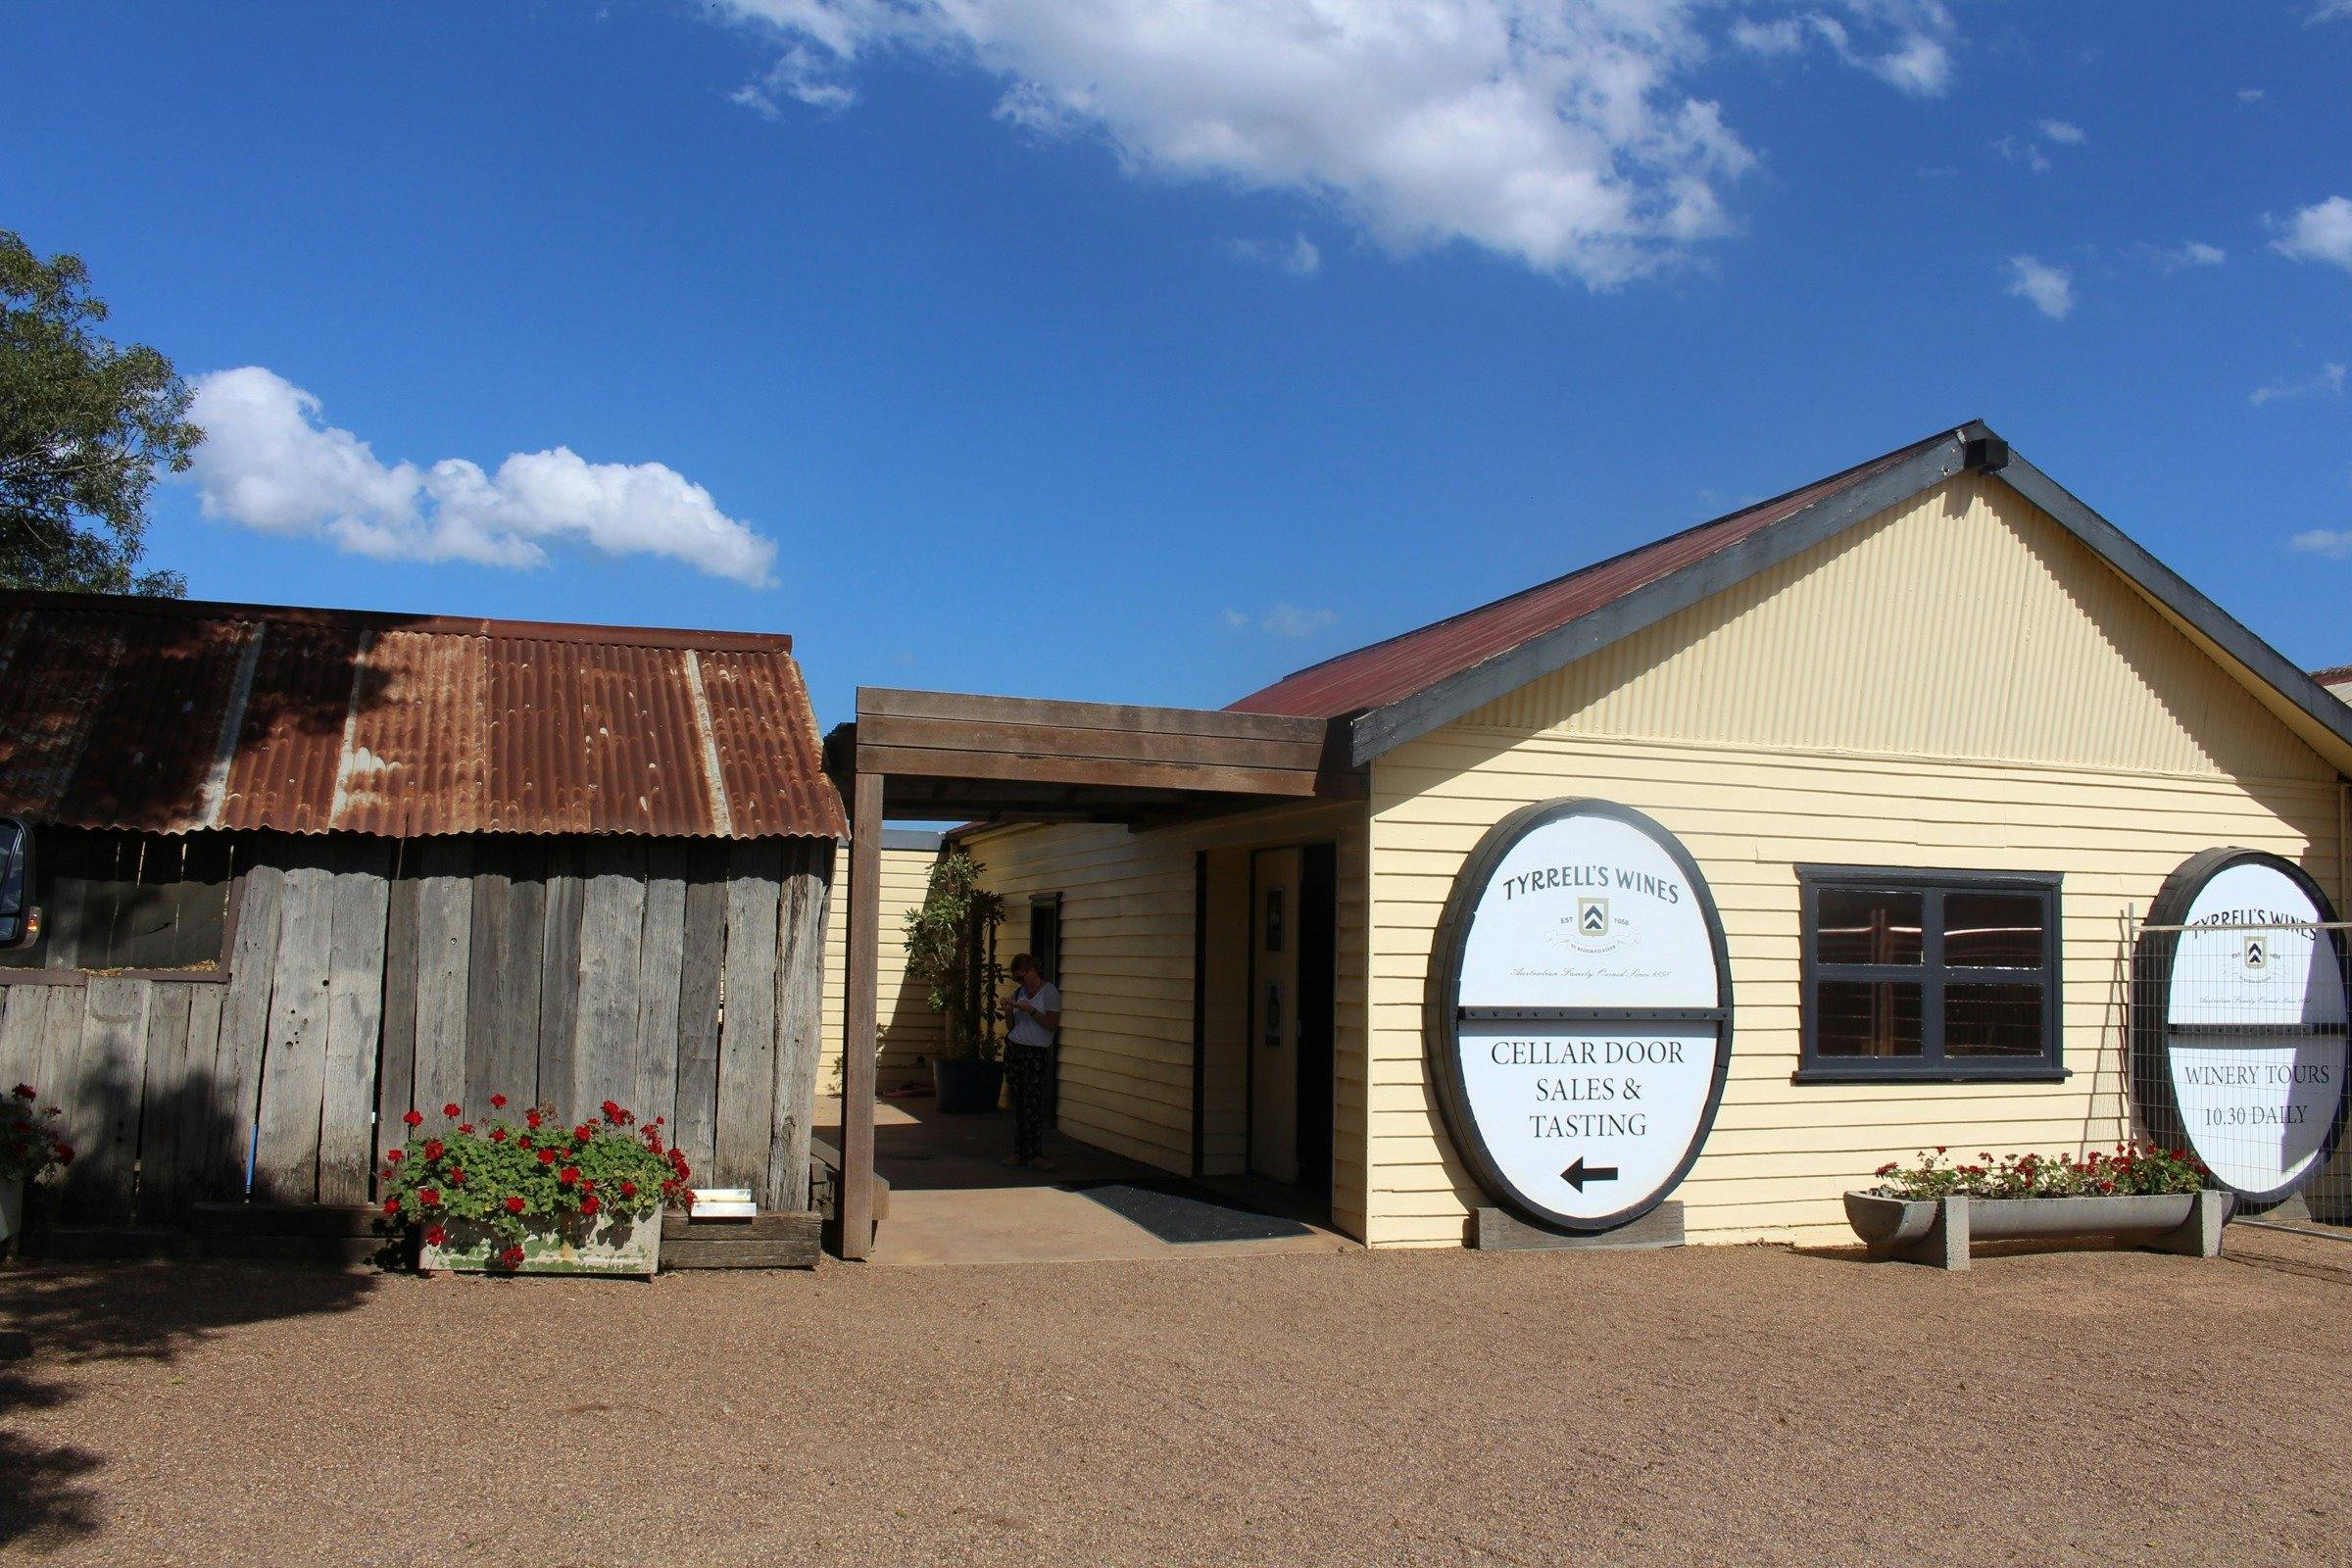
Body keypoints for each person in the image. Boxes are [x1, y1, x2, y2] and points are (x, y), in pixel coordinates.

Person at [999, 953, 1061, 1170]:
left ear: (1034, 969)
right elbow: (1011, 1027)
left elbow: (1052, 1024)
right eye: (1017, 979)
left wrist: (1031, 1010)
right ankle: (1020, 1152)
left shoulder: (1049, 992)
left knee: (1033, 1103)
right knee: (1019, 1104)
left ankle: (1035, 1154)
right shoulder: (1020, 993)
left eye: (1023, 977)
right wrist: (1009, 1011)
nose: (1021, 982)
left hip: (1035, 1053)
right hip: (1016, 1049)